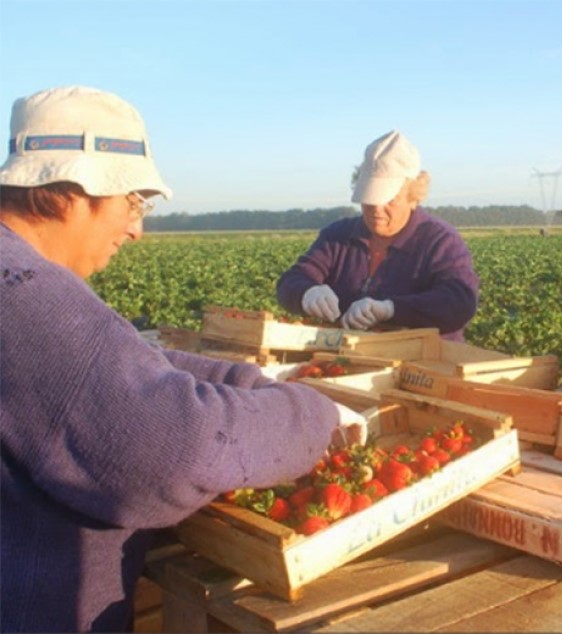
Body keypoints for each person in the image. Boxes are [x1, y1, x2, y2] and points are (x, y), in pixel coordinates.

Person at [0, 86, 367, 633]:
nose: (137, 228)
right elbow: (174, 449)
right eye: (133, 202)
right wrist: (311, 417)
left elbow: (120, 359)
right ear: (74, 191)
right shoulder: (23, 290)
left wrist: (249, 380)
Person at [277, 130, 479, 341]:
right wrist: (307, 292)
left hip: (422, 364)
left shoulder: (440, 241)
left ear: (413, 197)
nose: (376, 209)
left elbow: (459, 302)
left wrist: (390, 309)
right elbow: (291, 281)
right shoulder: (338, 236)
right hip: (346, 357)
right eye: (369, 199)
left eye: (389, 200)